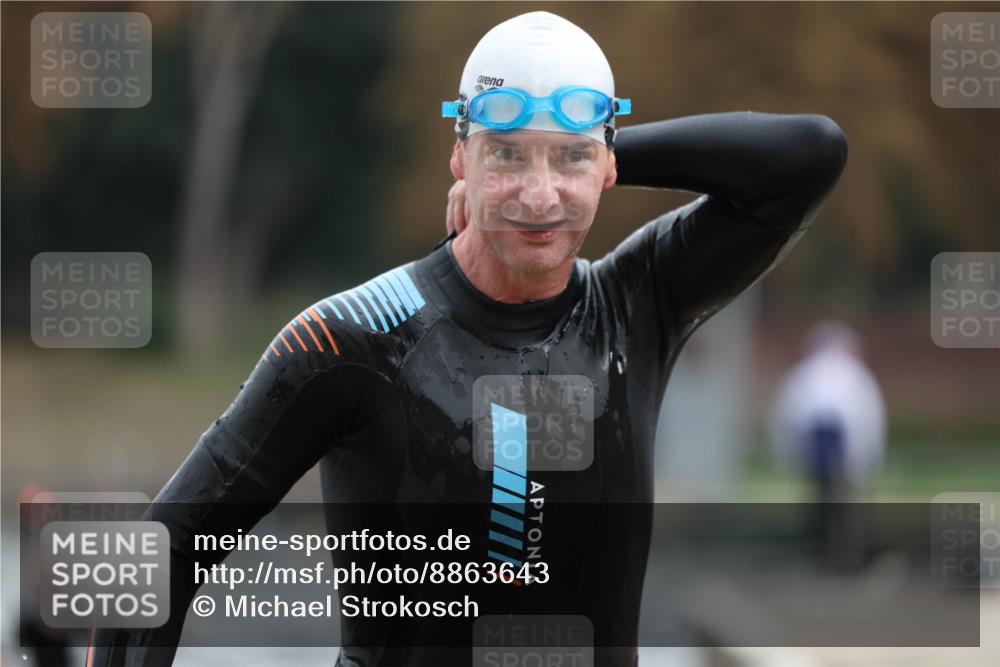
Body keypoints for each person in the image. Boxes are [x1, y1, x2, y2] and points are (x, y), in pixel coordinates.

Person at [87, 10, 847, 667]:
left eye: (571, 158)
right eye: (506, 154)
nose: (540, 195)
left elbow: (809, 155)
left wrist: (593, 142)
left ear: (607, 165)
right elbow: (165, 547)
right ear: (461, 158)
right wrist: (574, 141)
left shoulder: (637, 303)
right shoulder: (353, 338)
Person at [769, 321, 887, 571]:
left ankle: (829, 556)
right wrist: (869, 458)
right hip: (830, 445)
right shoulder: (854, 375)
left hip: (829, 445)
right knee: (838, 504)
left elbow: (786, 417)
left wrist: (788, 453)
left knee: (826, 503)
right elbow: (870, 419)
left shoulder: (805, 374)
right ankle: (837, 557)